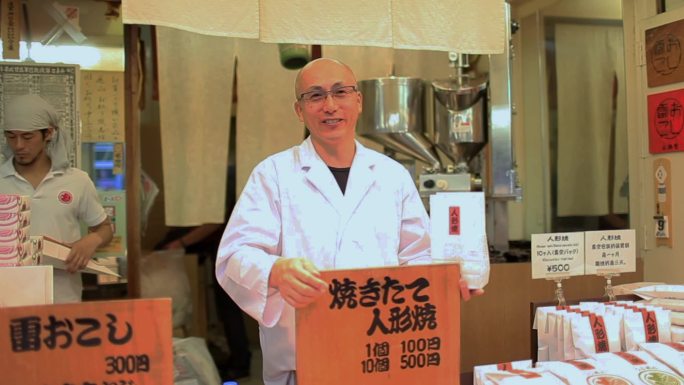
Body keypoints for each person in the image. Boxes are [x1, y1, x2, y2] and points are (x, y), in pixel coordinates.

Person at [215, 58, 483, 385]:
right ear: (299, 110)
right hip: (303, 357)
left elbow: (418, 256)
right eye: (315, 96)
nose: (330, 105)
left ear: (358, 101)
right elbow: (235, 255)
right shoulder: (273, 175)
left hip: (382, 351)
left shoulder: (391, 175)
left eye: (340, 92)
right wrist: (275, 271)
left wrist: (444, 281)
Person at [0, 94, 113, 303]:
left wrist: (91, 240)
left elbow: (105, 228)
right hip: (7, 301)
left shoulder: (76, 181)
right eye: (11, 136)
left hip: (62, 298)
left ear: (48, 133)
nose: (18, 145)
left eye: (27, 137)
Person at [158, 166, 252, 381]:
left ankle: (240, 362)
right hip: (226, 249)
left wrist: (179, 243)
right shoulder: (219, 178)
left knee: (228, 308)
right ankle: (238, 359)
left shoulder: (216, 181)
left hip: (231, 251)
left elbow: (214, 221)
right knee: (228, 308)